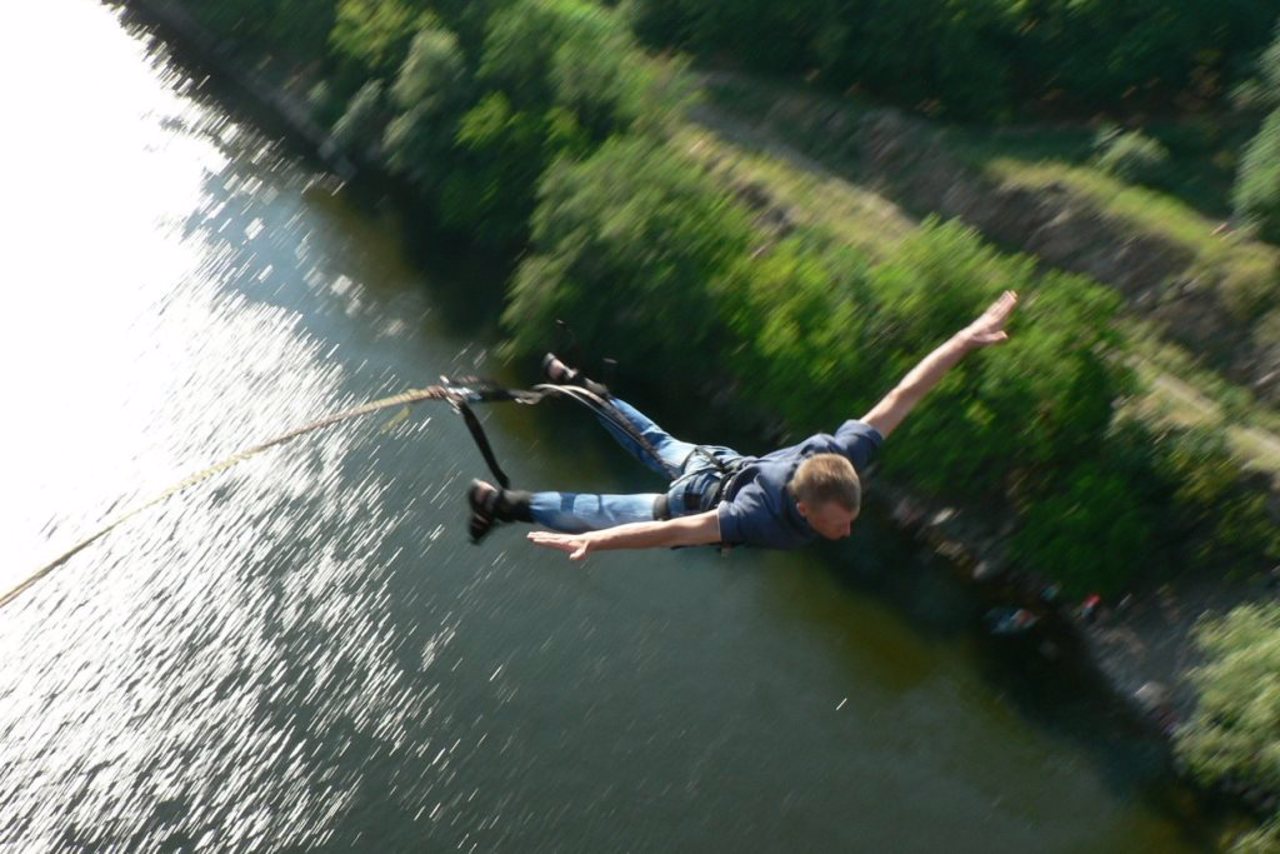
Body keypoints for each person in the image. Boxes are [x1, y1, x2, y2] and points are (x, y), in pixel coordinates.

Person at [468, 291, 1019, 560]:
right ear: (803, 511)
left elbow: (905, 394)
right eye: (837, 525)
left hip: (715, 459)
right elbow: (674, 531)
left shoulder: (840, 457)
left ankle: (576, 384)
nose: (848, 531)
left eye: (849, 520)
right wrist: (595, 545)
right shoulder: (758, 518)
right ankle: (504, 503)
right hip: (696, 497)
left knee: (653, 439)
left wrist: (965, 340)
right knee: (608, 509)